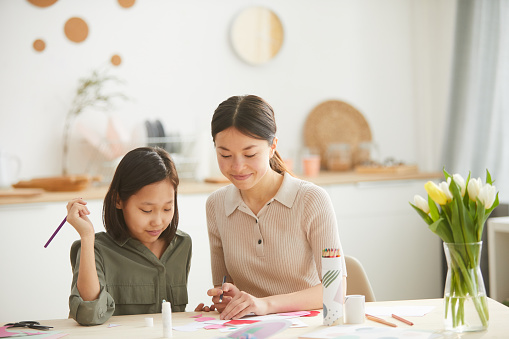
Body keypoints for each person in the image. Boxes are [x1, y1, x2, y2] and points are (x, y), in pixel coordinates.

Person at [196, 95, 347, 320]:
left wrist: (265, 305)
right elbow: (224, 286)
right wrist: (228, 299)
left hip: (306, 328)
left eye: (250, 154)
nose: (237, 166)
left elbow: (336, 289)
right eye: (225, 154)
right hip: (250, 330)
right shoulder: (216, 205)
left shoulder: (312, 199)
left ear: (272, 146)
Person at [67, 147, 192, 325]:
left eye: (167, 208)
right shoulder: (97, 250)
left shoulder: (182, 244)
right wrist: (87, 237)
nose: (158, 221)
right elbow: (89, 315)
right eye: (146, 210)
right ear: (118, 200)